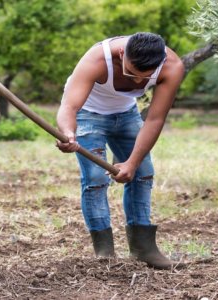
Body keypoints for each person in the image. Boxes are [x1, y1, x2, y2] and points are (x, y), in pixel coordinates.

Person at [56, 32, 184, 269]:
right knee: (95, 179)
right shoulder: (97, 59)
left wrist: (132, 163)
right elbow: (69, 106)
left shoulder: (172, 66)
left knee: (143, 173)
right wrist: (68, 133)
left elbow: (155, 119)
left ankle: (144, 249)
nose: (137, 83)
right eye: (131, 74)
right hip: (87, 113)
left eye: (144, 78)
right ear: (122, 54)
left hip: (127, 115)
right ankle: (104, 253)